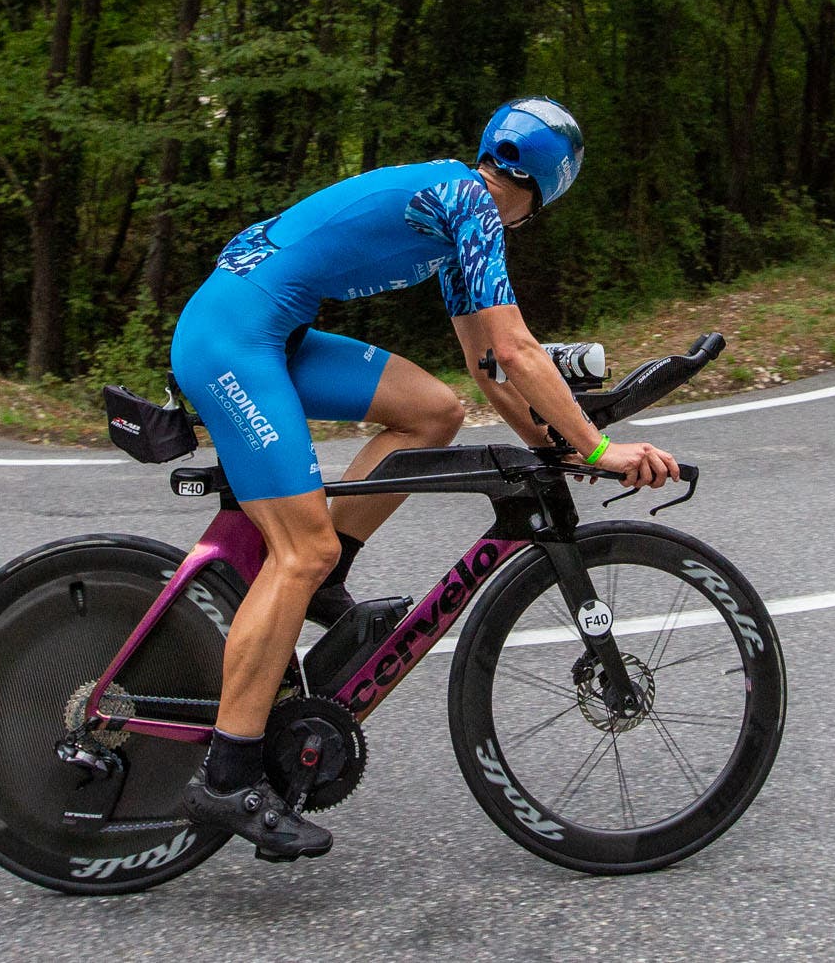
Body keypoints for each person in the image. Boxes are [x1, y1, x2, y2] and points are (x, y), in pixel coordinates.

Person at [169, 97, 681, 860]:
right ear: (548, 187)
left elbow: (488, 368)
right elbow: (518, 349)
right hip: (233, 337)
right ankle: (228, 773)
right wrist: (599, 447)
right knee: (297, 550)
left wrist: (555, 449)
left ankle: (328, 573)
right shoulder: (471, 204)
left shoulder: (457, 210)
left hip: (263, 327)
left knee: (431, 411)